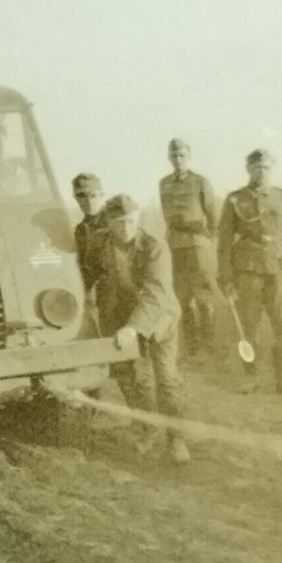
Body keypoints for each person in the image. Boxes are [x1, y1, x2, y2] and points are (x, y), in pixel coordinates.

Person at [96, 194, 190, 464]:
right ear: (109, 222)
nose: (125, 227)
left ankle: (176, 439)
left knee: (166, 378)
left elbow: (155, 293)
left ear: (137, 219)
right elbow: (88, 274)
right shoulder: (101, 245)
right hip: (124, 318)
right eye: (118, 222)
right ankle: (148, 429)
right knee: (132, 379)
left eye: (129, 221)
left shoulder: (154, 246)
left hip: (160, 317)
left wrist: (134, 327)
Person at [217, 149, 282, 396]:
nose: (261, 172)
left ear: (271, 169)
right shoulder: (235, 199)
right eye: (256, 167)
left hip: (279, 269)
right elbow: (224, 241)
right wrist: (226, 277)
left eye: (265, 168)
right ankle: (251, 377)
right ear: (248, 169)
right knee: (248, 325)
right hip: (248, 269)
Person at [158, 138, 218, 356]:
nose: (178, 159)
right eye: (174, 155)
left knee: (203, 297)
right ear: (169, 157)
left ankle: (209, 345)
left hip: (197, 245)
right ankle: (192, 346)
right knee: (182, 298)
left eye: (182, 155)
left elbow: (213, 217)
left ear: (189, 157)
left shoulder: (200, 182)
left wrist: (206, 240)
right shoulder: (164, 183)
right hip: (175, 245)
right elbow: (167, 214)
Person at [71, 172, 107, 336]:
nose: (88, 201)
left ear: (102, 195)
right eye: (81, 196)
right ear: (75, 199)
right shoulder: (81, 229)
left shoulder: (114, 222)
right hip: (92, 293)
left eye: (93, 195)